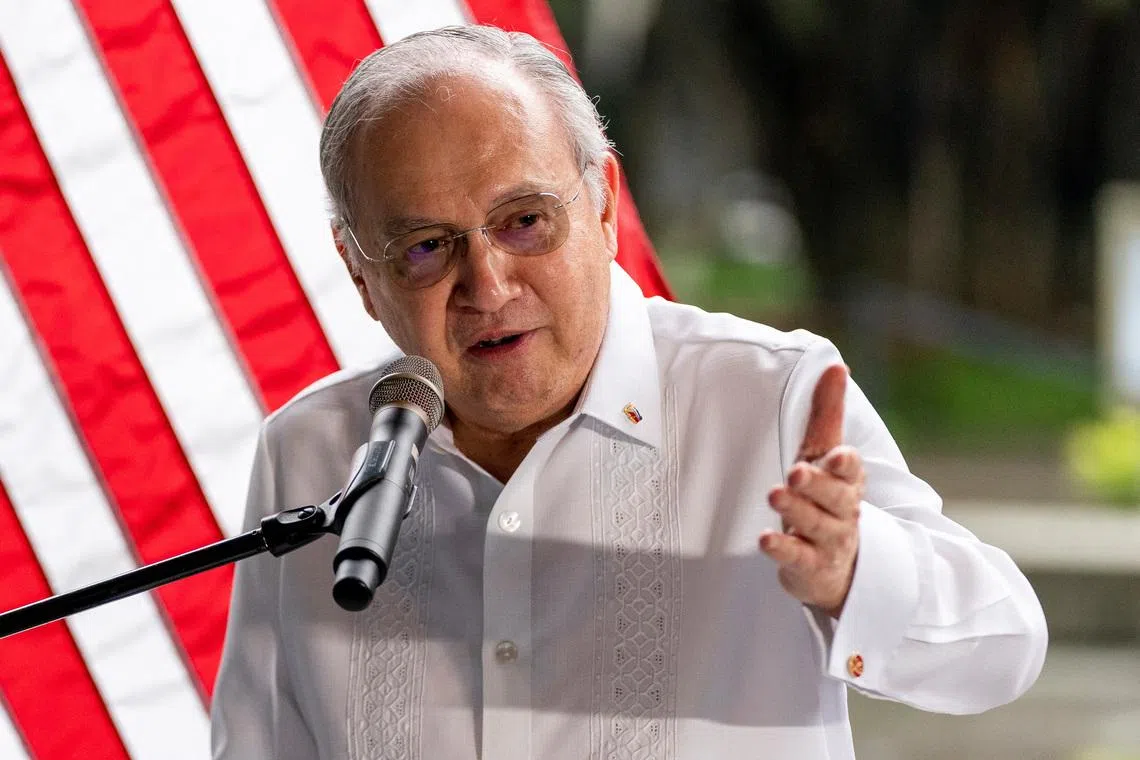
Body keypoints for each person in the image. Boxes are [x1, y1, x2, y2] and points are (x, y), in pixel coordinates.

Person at [210, 24, 1047, 760]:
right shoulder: (311, 452)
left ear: (605, 205)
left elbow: (1005, 649)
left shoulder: (768, 398)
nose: (488, 285)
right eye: (426, 247)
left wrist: (857, 571)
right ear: (361, 275)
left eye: (525, 220)